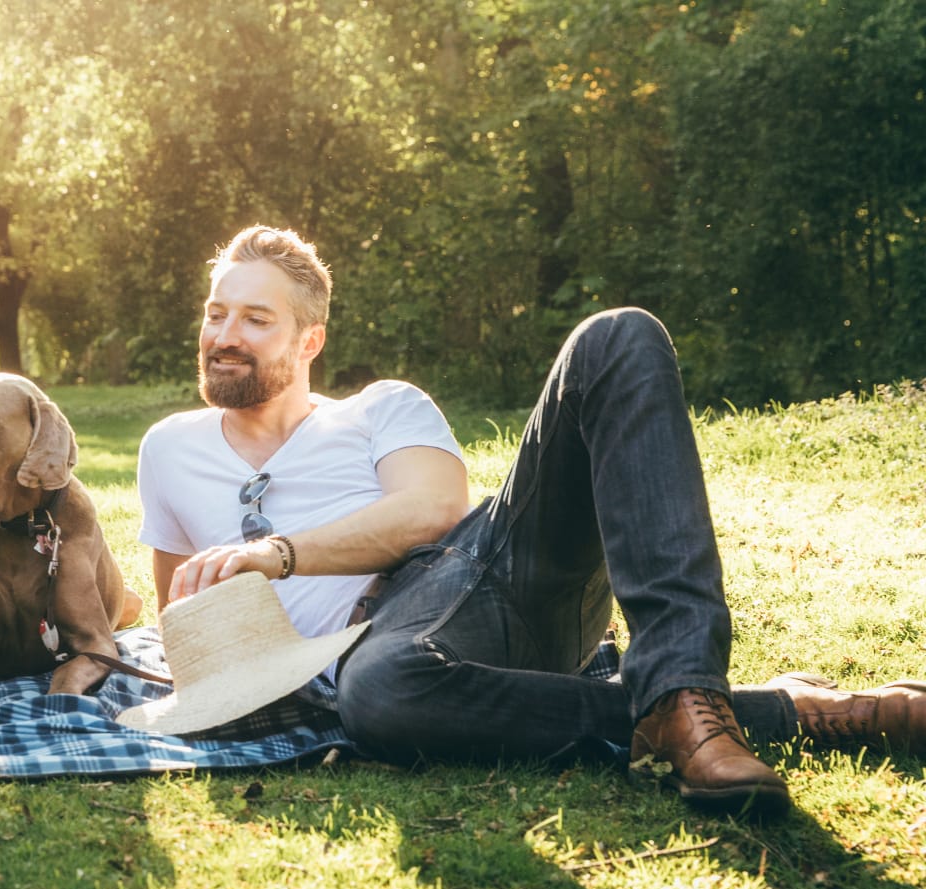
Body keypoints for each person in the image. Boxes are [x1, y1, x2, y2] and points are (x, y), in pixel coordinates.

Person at [138, 224, 926, 816]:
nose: (223, 337)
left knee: (615, 337)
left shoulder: (383, 407)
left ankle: (684, 682)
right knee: (378, 696)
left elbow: (432, 510)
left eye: (254, 319)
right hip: (395, 673)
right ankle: (741, 711)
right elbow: (184, 618)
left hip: (483, 587)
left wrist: (278, 553)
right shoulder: (167, 449)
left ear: (309, 339)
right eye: (215, 314)